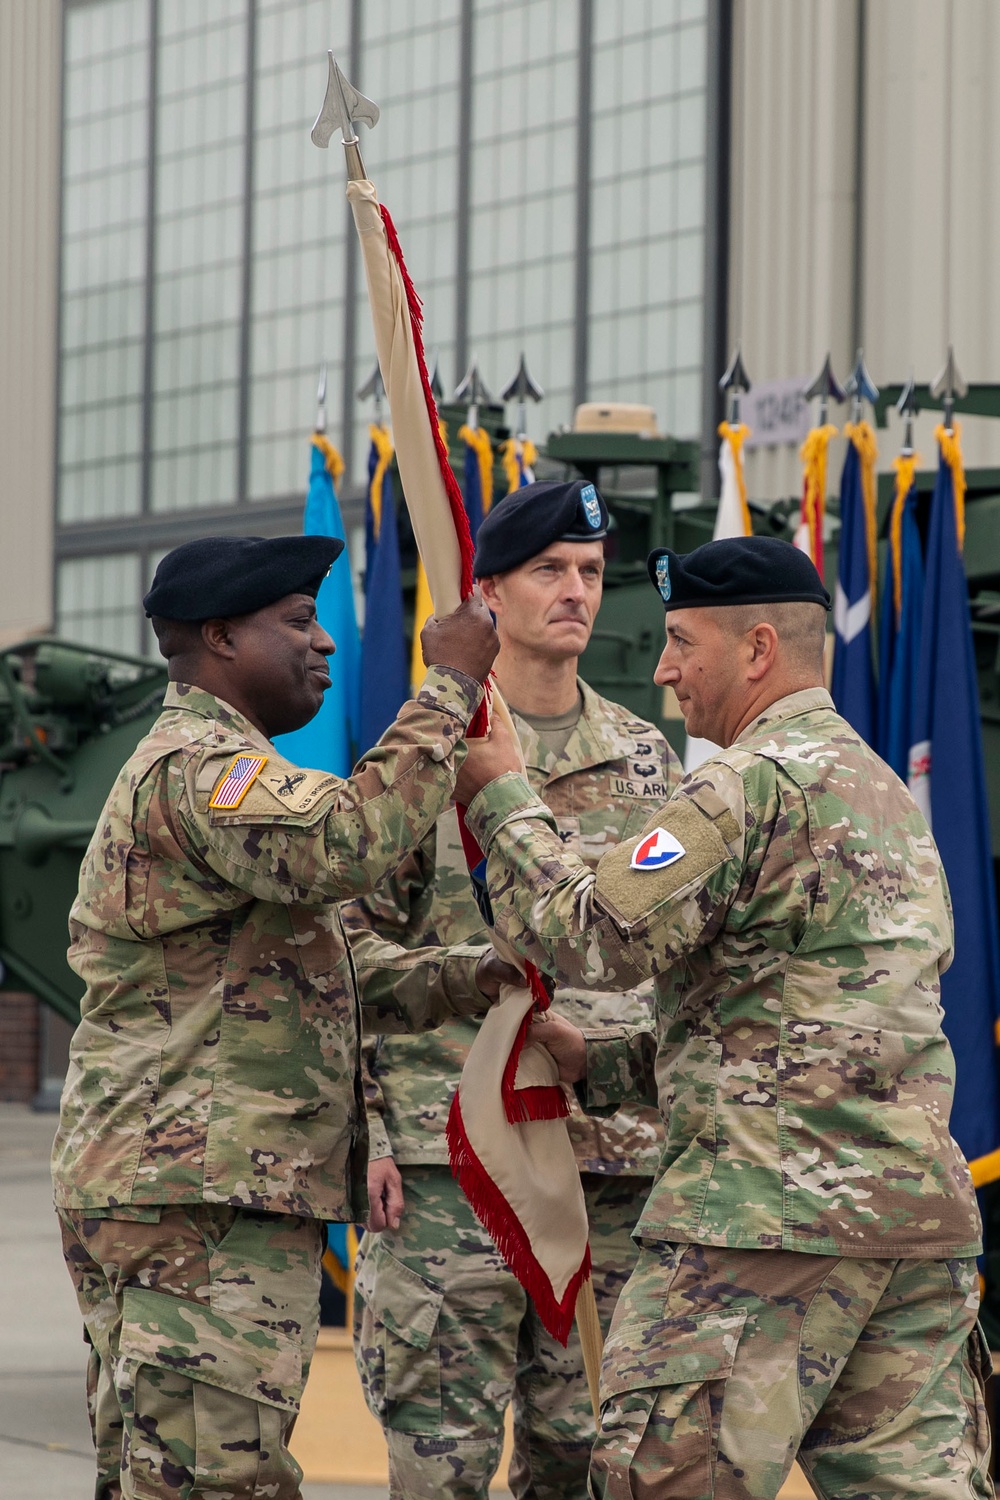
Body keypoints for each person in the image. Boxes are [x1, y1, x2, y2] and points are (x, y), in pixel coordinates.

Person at [454, 534, 991, 1500]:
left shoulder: (747, 782)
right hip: (910, 1231)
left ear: (755, 649)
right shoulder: (886, 796)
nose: (662, 671)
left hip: (759, 1228)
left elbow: (593, 935)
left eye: (680, 642)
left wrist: (499, 794)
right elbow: (807, 1023)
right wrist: (607, 1065)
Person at [52, 533, 519, 1500]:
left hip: (199, 1189)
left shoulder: (230, 776)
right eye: (299, 623)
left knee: (171, 1474)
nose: (327, 644)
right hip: (200, 1199)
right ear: (220, 638)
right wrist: (450, 687)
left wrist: (485, 978)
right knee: (216, 1481)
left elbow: (342, 972)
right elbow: (346, 843)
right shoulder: (204, 769)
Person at [343, 479, 681, 1500]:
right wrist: (371, 1132)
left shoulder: (645, 756)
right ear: (486, 591)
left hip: (608, 1170)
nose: (577, 592)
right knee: (438, 1461)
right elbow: (342, 955)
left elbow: (674, 954)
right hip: (456, 1166)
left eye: (590, 572)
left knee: (590, 1459)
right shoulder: (426, 756)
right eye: (549, 571)